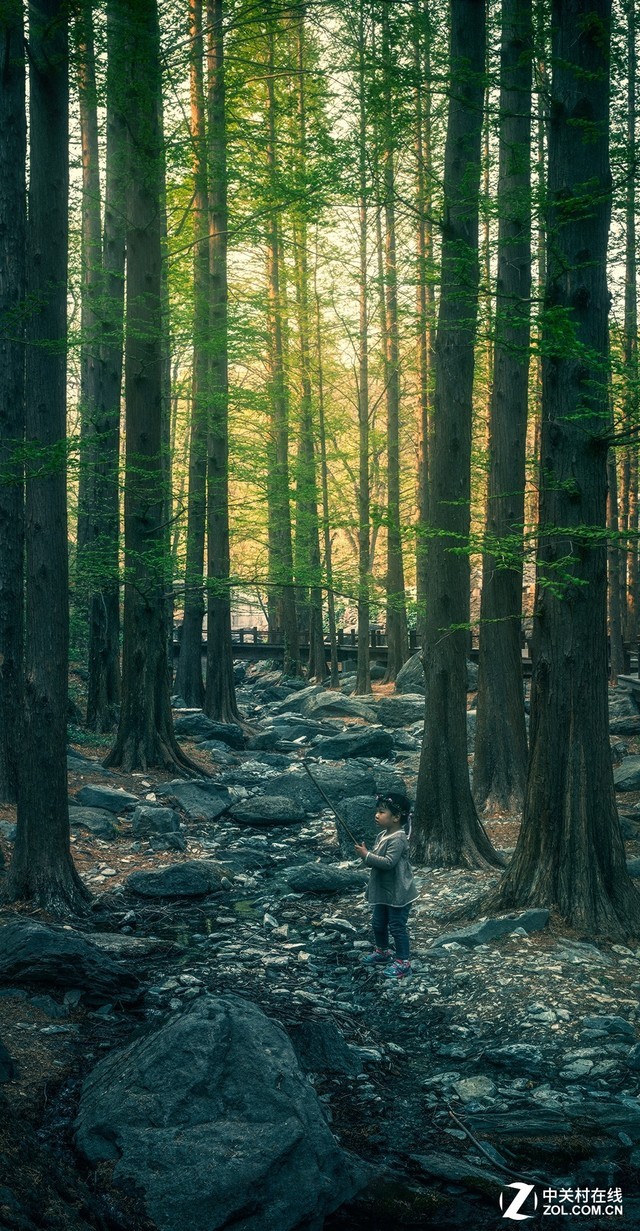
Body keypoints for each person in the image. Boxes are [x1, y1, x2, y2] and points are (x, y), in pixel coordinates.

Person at [354, 792, 418, 980]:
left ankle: (403, 962)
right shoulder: (383, 835)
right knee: (378, 923)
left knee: (397, 926)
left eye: (382, 812)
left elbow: (389, 862)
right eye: (377, 811)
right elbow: (375, 861)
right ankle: (382, 951)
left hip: (398, 893)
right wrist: (366, 856)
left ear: (396, 817)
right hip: (383, 891)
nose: (377, 815)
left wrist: (367, 855)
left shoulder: (398, 838)